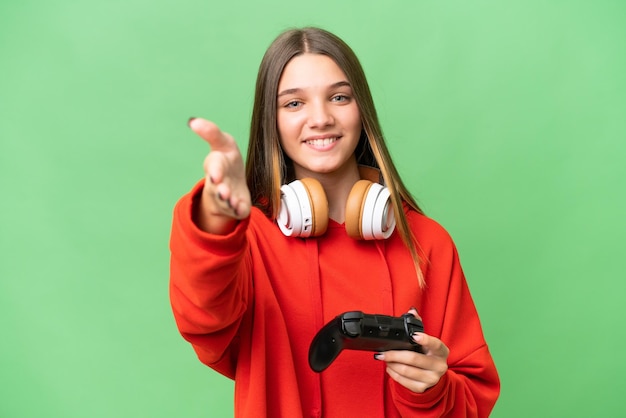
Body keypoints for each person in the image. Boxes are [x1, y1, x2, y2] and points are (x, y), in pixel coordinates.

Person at [169, 27, 500, 417]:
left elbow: (471, 403)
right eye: (294, 104)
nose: (321, 118)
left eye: (339, 97)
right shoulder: (250, 238)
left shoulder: (427, 242)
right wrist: (217, 214)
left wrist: (429, 388)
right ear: (269, 121)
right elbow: (203, 322)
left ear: (362, 111)